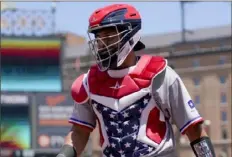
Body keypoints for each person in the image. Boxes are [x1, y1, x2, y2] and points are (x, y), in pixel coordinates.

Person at [57, 4, 215, 157]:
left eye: (109, 38)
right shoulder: (89, 82)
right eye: (99, 39)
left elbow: (194, 129)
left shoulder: (160, 75)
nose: (102, 45)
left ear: (129, 35)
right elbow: (79, 131)